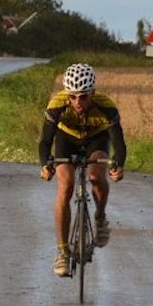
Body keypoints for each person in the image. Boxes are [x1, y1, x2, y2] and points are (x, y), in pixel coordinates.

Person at [38, 63, 126, 277]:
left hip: (96, 140)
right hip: (66, 140)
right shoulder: (57, 104)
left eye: (84, 97)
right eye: (73, 97)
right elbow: (45, 142)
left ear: (93, 93)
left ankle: (100, 216)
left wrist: (118, 165)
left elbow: (119, 143)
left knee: (96, 175)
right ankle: (62, 252)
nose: (78, 102)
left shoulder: (106, 106)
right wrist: (45, 165)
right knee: (66, 185)